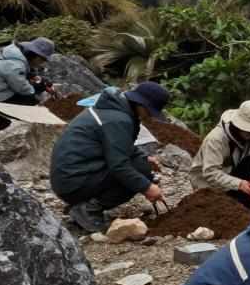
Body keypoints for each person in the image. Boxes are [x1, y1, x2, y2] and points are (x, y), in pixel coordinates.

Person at [50, 81, 169, 232]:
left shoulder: (115, 110)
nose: (150, 116)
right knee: (138, 170)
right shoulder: (118, 119)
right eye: (149, 111)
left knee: (140, 164)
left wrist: (144, 158)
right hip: (72, 181)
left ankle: (82, 204)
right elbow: (119, 165)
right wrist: (147, 187)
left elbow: (119, 145)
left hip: (71, 176)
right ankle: (88, 209)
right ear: (141, 104)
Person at [190, 100, 250, 209]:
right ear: (238, 126)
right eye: (249, 131)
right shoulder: (216, 139)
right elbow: (210, 173)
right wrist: (238, 184)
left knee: (247, 202)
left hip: (236, 171)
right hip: (208, 183)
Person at [0, 36, 56, 105]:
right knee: (32, 99)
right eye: (42, 60)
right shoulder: (15, 65)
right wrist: (36, 88)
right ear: (37, 57)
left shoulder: (15, 54)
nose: (41, 64)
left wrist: (32, 76)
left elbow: (17, 74)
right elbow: (22, 89)